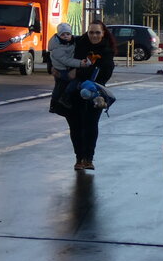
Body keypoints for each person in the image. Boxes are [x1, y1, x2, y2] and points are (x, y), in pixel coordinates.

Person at [64, 20, 117, 171]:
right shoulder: (79, 45)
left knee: (90, 125)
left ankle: (88, 158)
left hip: (97, 92)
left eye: (97, 32)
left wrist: (79, 72)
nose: (94, 35)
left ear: (103, 33)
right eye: (91, 32)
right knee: (76, 126)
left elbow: (105, 73)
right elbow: (65, 61)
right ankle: (79, 158)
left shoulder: (107, 50)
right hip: (75, 92)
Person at [47, 22, 86, 115]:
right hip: (61, 69)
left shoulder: (72, 40)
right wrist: (80, 63)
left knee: (61, 85)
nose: (66, 36)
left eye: (68, 34)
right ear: (58, 35)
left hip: (66, 67)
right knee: (70, 82)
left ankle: (57, 102)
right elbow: (66, 60)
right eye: (63, 34)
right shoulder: (56, 46)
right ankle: (61, 99)